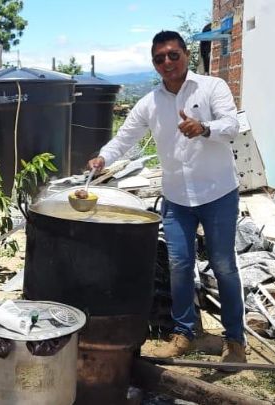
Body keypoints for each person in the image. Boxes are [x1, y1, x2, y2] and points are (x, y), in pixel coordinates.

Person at [88, 30, 246, 366]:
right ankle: (185, 332)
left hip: (218, 193)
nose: (167, 62)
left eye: (173, 55)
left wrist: (204, 128)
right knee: (179, 265)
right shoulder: (150, 103)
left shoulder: (211, 87)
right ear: (154, 63)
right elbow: (125, 138)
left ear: (185, 55)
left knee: (224, 266)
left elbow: (231, 126)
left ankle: (235, 340)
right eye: (159, 58)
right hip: (176, 198)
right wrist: (103, 157)